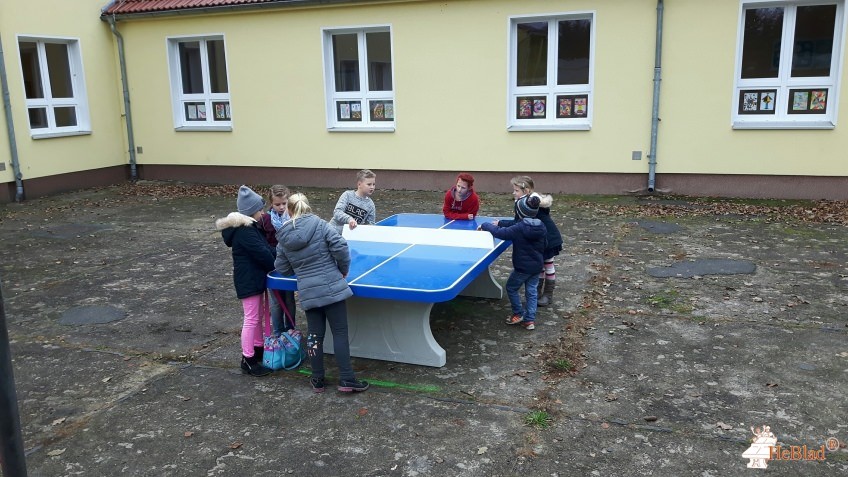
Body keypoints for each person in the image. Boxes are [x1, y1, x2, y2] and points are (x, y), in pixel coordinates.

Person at [275, 193, 369, 393]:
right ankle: (346, 379)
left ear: (290, 211)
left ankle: (317, 378)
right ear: (308, 207)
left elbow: (283, 268)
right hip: (332, 287)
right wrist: (343, 269)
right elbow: (341, 247)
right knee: (340, 334)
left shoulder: (283, 237)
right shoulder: (321, 225)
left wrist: (300, 269)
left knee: (314, 335)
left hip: (308, 291)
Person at [215, 185, 276, 377]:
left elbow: (266, 249)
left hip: (253, 278)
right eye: (260, 210)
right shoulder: (246, 231)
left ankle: (257, 350)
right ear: (252, 211)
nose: (263, 213)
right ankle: (247, 359)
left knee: (257, 317)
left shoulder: (249, 228)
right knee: (251, 319)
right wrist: (278, 260)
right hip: (249, 281)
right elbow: (264, 254)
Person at [480, 194, 546, 330]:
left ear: (520, 212)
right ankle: (530, 320)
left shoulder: (520, 228)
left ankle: (518, 313)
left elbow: (501, 233)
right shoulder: (541, 226)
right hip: (537, 266)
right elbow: (545, 243)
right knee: (531, 291)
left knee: (511, 287)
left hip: (522, 268)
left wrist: (485, 225)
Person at [497, 176, 564, 307]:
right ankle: (537, 293)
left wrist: (500, 223)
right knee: (540, 266)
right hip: (539, 239)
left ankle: (547, 295)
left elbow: (517, 223)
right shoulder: (527, 202)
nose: (513, 193)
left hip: (549, 239)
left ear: (526, 191)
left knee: (548, 265)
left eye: (516, 190)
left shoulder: (528, 205)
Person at [259, 185, 297, 336]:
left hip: (289, 264)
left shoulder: (293, 217)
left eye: (284, 204)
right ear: (271, 203)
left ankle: (291, 329)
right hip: (273, 265)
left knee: (289, 298)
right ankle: (277, 332)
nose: (281, 207)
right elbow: (263, 243)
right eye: (277, 204)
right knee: (276, 302)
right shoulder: (265, 220)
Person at [329, 169, 377, 233]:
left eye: (373, 184)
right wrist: (349, 219)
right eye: (369, 184)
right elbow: (337, 212)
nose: (372, 187)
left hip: (351, 235)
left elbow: (370, 225)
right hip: (333, 231)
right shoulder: (347, 195)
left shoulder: (371, 205)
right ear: (359, 184)